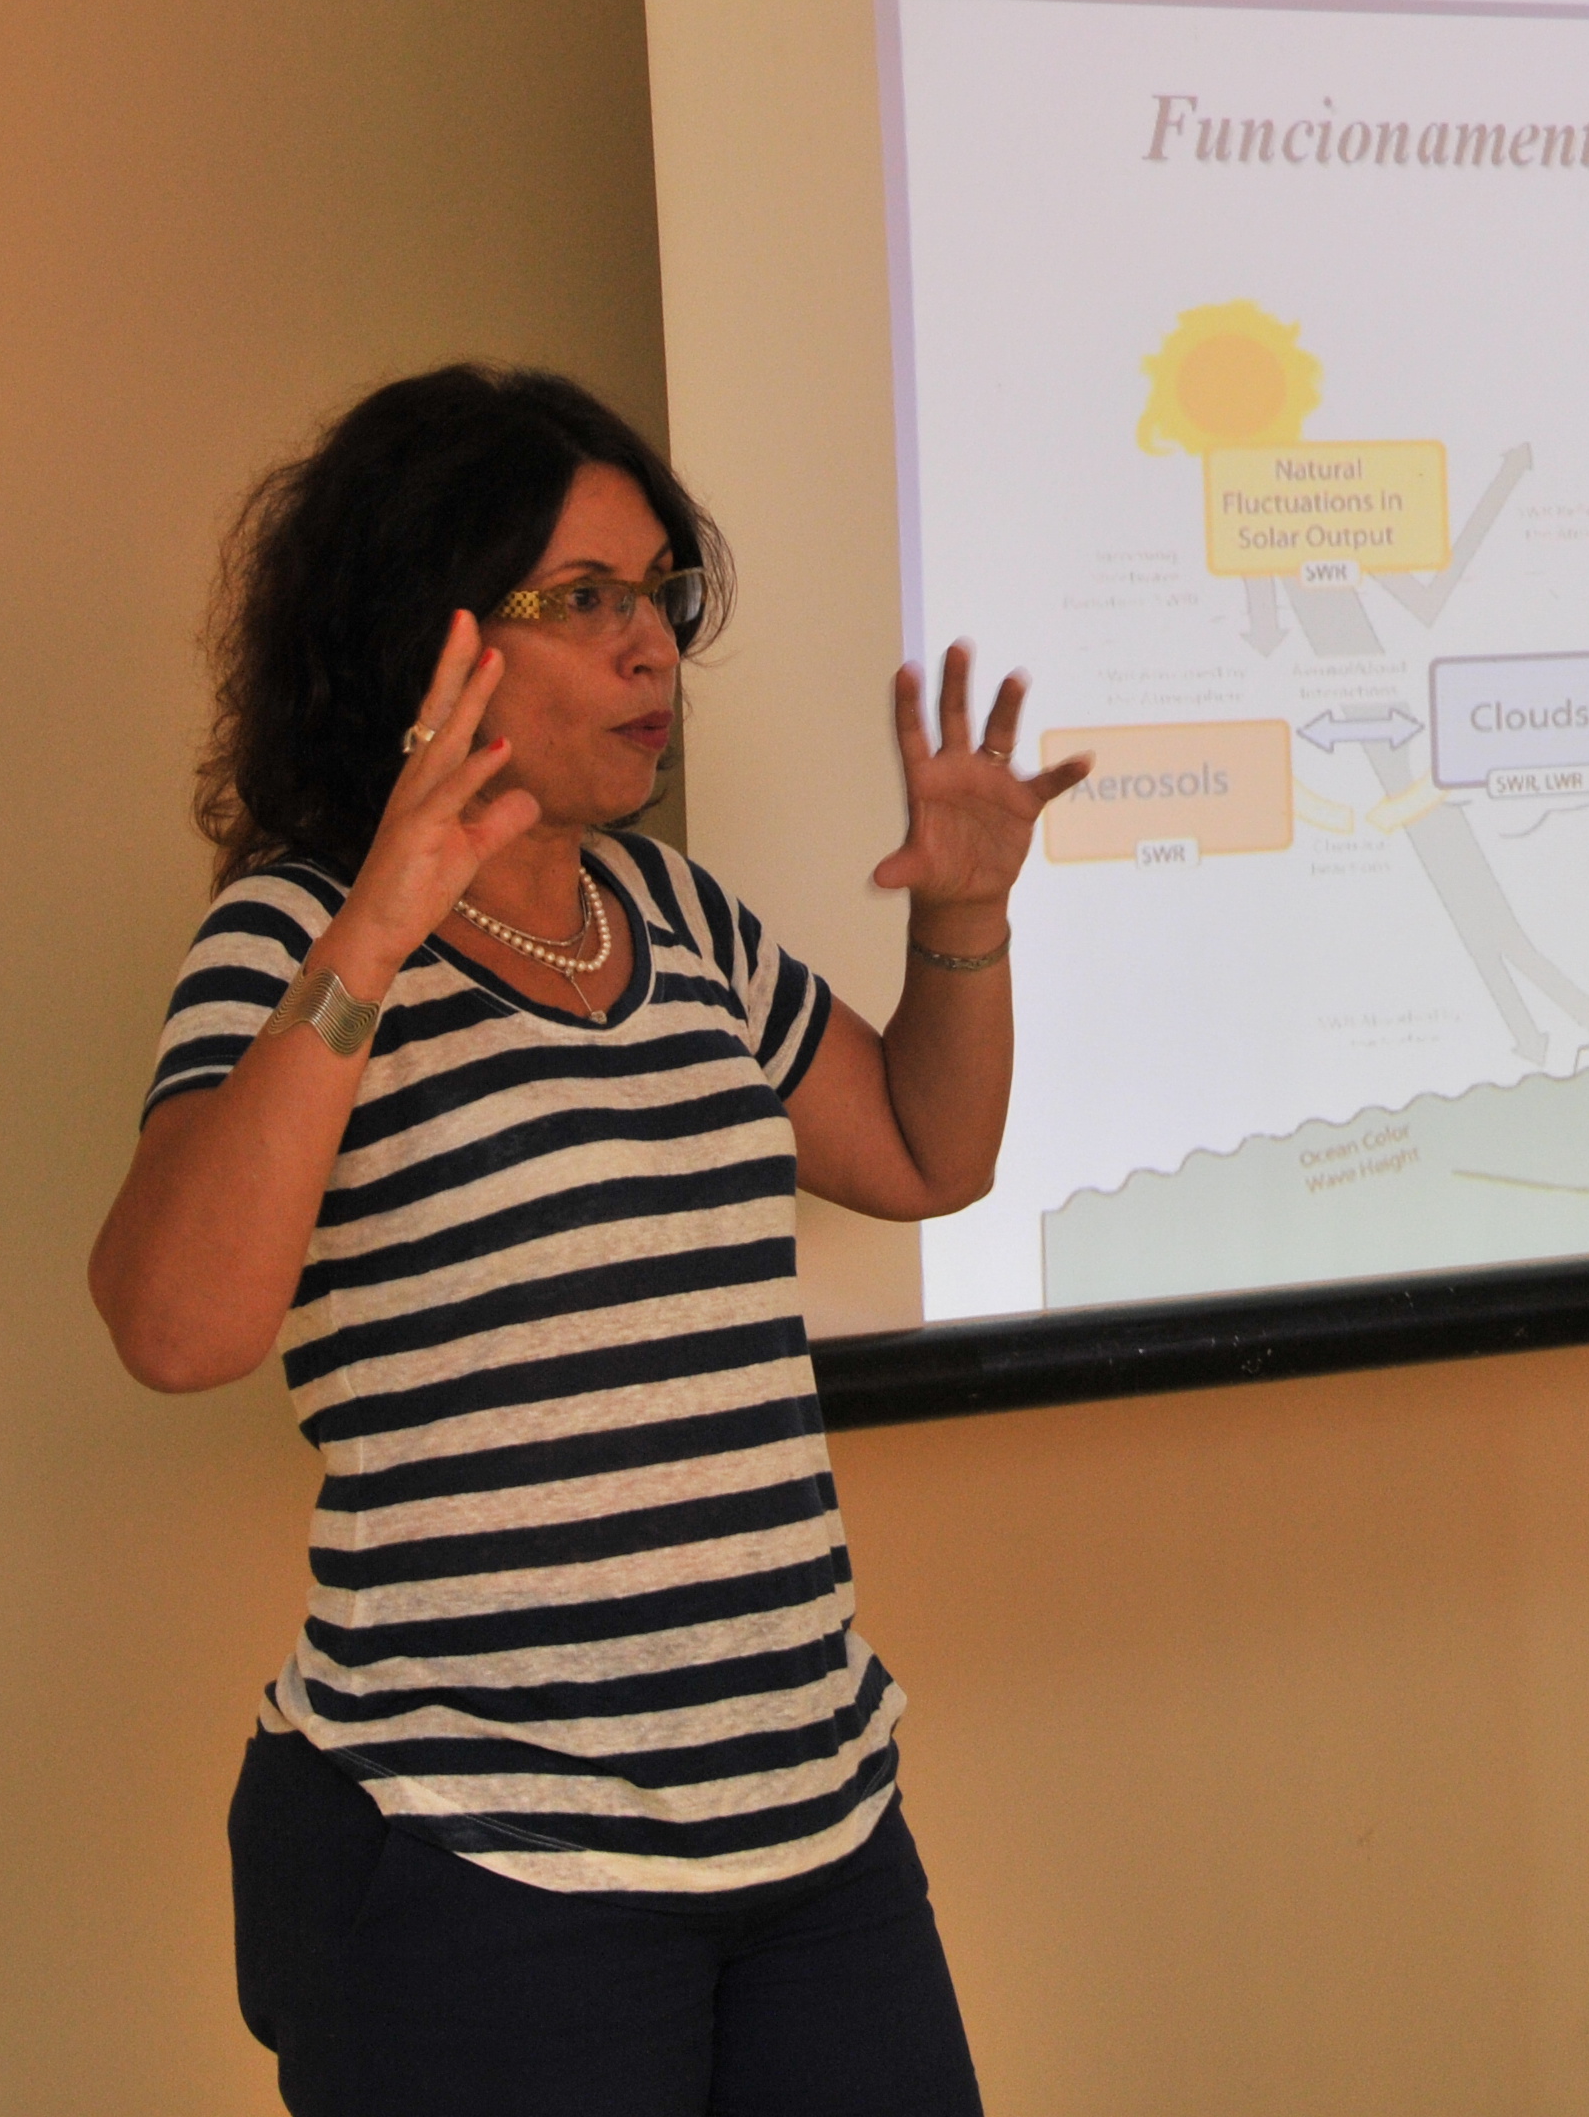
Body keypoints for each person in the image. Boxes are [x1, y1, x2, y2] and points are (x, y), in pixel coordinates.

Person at [88, 363, 1085, 2117]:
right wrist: (377, 929)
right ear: (432, 639)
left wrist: (965, 917)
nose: (651, 651)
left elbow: (928, 1152)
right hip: (483, 1872)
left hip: (812, 1832)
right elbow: (177, 1327)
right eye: (586, 599)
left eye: (658, 596)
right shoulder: (294, 937)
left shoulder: (676, 917)